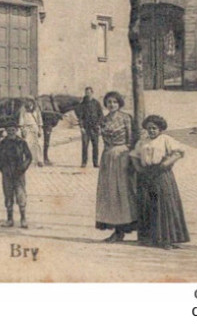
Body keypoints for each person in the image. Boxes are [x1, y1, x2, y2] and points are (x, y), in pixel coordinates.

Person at [130, 114, 189, 249]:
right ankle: (150, 238)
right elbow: (134, 155)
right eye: (149, 128)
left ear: (160, 129)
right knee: (147, 204)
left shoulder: (165, 139)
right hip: (146, 175)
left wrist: (165, 164)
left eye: (154, 128)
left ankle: (167, 239)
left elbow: (179, 152)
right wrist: (139, 168)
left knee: (165, 205)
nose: (151, 131)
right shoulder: (142, 142)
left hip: (162, 174)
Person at [95, 90, 137, 242]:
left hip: (122, 156)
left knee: (123, 191)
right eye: (109, 102)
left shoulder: (126, 118)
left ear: (119, 104)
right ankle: (115, 229)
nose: (112, 105)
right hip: (108, 157)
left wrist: (130, 155)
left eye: (114, 102)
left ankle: (124, 226)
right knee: (110, 192)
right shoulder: (103, 120)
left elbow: (132, 138)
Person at [0, 120, 32, 229]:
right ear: (6, 131)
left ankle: (23, 219)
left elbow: (29, 157)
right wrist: (2, 169)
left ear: (16, 131)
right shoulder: (2, 143)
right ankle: (9, 219)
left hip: (19, 172)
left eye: (13, 130)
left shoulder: (21, 142)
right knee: (8, 195)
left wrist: (22, 168)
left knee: (21, 195)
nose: (11, 132)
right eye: (9, 130)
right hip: (7, 172)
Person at [76, 87, 103, 169]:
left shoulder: (96, 103)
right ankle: (84, 162)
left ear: (92, 93)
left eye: (89, 92)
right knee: (85, 146)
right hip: (85, 128)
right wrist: (81, 127)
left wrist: (98, 124)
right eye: (86, 92)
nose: (87, 94)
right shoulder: (82, 104)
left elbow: (101, 115)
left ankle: (95, 163)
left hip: (94, 128)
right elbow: (80, 117)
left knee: (95, 146)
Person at [19, 100, 43, 167]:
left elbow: (39, 120)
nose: (29, 103)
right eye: (27, 101)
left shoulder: (36, 110)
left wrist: (40, 130)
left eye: (30, 101)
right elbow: (21, 120)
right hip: (26, 127)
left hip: (35, 127)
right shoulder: (23, 110)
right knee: (27, 143)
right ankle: (28, 160)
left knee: (38, 144)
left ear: (33, 102)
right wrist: (22, 130)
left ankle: (39, 160)